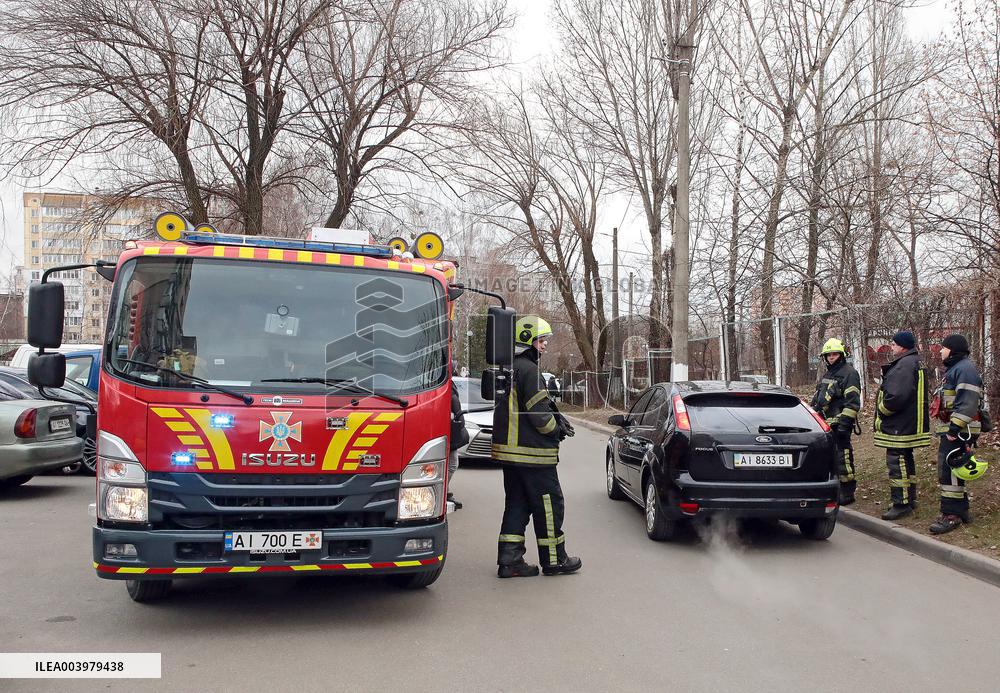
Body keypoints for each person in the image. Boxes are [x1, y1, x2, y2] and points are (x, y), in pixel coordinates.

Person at [492, 315, 581, 578]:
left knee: (517, 504)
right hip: (533, 455)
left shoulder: (510, 368)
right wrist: (556, 430)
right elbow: (539, 415)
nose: (544, 346)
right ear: (528, 341)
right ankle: (555, 560)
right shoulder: (530, 371)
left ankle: (510, 562)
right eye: (541, 340)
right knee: (550, 506)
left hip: (511, 455)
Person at [873, 330, 931, 521]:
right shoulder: (913, 362)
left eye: (895, 343)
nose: (892, 346)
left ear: (903, 346)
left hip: (899, 425)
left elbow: (896, 397)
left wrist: (882, 409)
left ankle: (901, 503)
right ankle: (909, 498)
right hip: (909, 423)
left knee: (897, 461)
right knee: (906, 460)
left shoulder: (904, 365)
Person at [929, 334, 984, 534]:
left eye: (943, 348)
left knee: (949, 472)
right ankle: (961, 510)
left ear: (952, 350)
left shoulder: (964, 369)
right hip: (956, 430)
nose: (941, 351)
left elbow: (968, 403)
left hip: (960, 431)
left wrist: (954, 429)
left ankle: (951, 516)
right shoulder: (956, 369)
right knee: (955, 471)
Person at [810, 338, 861, 505]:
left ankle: (848, 491)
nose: (831, 357)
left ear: (841, 354)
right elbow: (819, 399)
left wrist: (845, 425)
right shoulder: (828, 374)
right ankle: (834, 489)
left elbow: (852, 402)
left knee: (843, 457)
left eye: (834, 354)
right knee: (828, 458)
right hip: (824, 425)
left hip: (839, 424)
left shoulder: (849, 373)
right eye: (828, 355)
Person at [448, 379, 470, 511]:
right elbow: (455, 403)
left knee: (451, 464)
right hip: (449, 429)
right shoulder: (449, 386)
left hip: (450, 429)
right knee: (452, 464)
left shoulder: (449, 383)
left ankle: (445, 491)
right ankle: (444, 492)